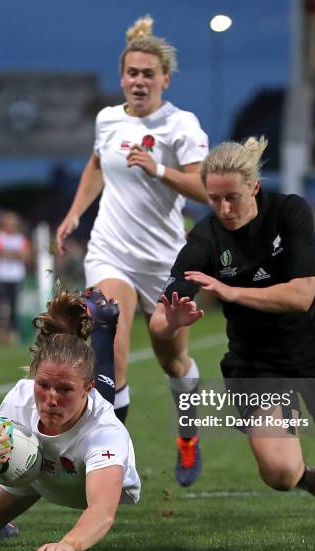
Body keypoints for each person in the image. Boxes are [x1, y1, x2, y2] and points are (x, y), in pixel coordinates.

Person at [149, 136, 315, 511]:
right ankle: (305, 475)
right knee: (280, 473)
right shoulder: (204, 239)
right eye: (214, 199)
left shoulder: (290, 212)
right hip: (256, 364)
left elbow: (301, 296)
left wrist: (232, 293)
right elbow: (157, 322)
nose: (223, 208)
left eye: (232, 197)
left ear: (254, 186)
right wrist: (169, 323)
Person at [56, 16, 209, 486]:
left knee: (173, 361)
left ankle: (188, 434)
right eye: (132, 73)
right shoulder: (108, 118)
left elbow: (204, 188)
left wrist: (158, 170)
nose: (139, 81)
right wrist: (75, 212)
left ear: (165, 78)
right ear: (122, 76)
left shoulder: (180, 124)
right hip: (110, 252)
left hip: (164, 261)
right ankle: (115, 467)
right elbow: (97, 166)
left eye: (148, 74)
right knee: (110, 352)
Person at [0, 290, 141, 551]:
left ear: (85, 390)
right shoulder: (20, 398)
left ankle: (104, 327)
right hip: (31, 472)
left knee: (105, 390)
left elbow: (102, 510)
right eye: (43, 385)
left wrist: (69, 543)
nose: (51, 398)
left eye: (65, 389)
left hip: (79, 483)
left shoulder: (105, 432)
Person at [0, 211, 30, 345]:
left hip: (16, 276)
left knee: (13, 306)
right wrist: (15, 253)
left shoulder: (20, 238)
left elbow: (25, 255)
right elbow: (0, 253)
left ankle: (12, 335)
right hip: (1, 276)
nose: (11, 223)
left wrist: (10, 253)